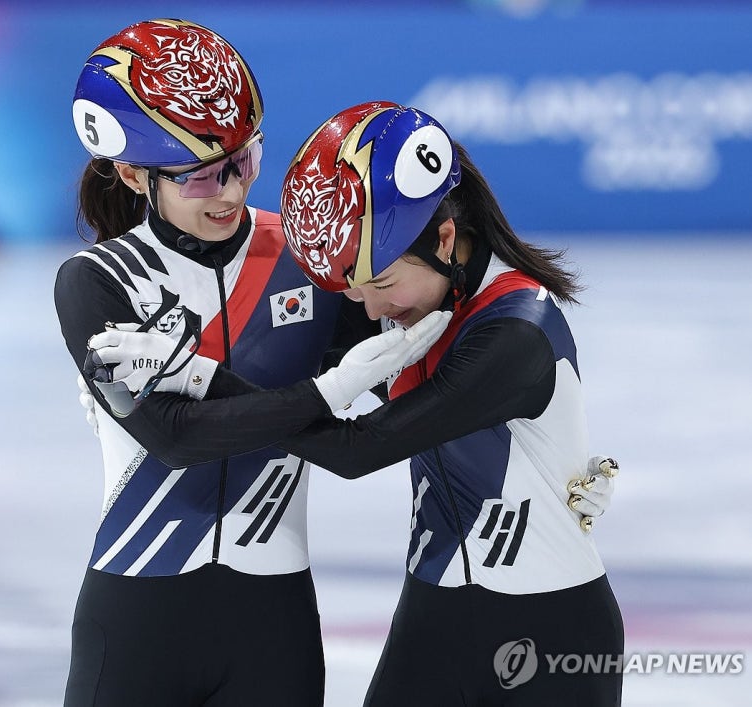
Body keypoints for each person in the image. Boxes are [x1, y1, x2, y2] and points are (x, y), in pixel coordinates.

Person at [86, 101, 624, 705]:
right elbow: (281, 378)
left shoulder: (514, 333)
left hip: (549, 628)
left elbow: (357, 448)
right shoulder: (418, 301)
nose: (368, 312)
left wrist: (195, 374)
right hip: (431, 618)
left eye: (381, 285)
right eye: (353, 290)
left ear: (446, 237)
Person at [55, 21, 451, 707]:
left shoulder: (308, 259)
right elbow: (175, 437)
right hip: (136, 617)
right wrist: (328, 391)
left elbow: (417, 404)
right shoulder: (96, 280)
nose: (231, 192)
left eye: (243, 161)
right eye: (202, 176)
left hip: (272, 624)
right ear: (131, 173)